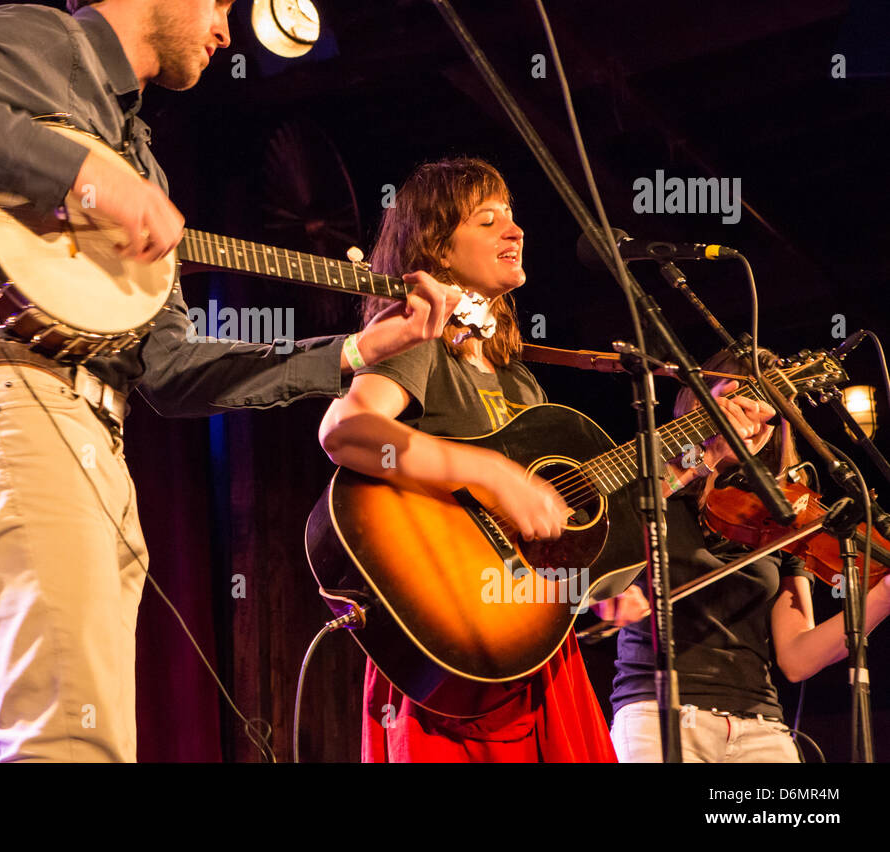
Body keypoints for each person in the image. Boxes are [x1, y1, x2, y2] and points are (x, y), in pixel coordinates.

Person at [0, 0, 459, 762]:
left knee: (94, 746)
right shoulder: (47, 45)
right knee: (68, 746)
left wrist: (351, 353)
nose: (227, 30)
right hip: (11, 410)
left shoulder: (144, 157)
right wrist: (81, 172)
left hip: (88, 441)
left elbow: (167, 368)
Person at [318, 155, 632, 762]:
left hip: (527, 646)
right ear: (435, 249)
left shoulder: (522, 385)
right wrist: (487, 472)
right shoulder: (421, 345)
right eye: (487, 220)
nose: (513, 231)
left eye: (511, 217)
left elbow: (539, 533)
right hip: (451, 645)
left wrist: (594, 583)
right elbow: (347, 429)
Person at [604, 348, 890, 762]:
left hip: (762, 729)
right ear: (698, 405)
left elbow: (796, 659)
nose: (754, 419)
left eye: (767, 410)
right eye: (739, 402)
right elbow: (615, 520)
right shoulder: (654, 492)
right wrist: (705, 458)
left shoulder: (781, 517)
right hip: (661, 715)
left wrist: (879, 599)